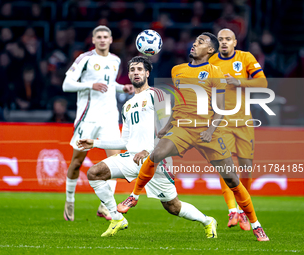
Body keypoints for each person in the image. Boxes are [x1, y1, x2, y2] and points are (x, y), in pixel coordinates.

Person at [119, 32, 269, 242]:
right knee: (156, 154)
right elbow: (180, 103)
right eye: (195, 41)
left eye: (201, 42)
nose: (194, 44)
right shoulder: (177, 70)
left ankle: (256, 225)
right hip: (182, 128)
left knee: (232, 180)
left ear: (210, 50)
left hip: (208, 130)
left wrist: (210, 130)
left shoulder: (214, 71)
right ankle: (134, 196)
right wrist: (167, 126)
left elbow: (220, 107)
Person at [77, 56, 218, 238]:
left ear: (147, 73)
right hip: (133, 157)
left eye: (140, 69)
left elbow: (170, 129)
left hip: (157, 159)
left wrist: (149, 150)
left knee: (173, 206)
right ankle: (117, 218)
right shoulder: (127, 106)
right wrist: (94, 143)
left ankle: (208, 221)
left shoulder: (157, 95)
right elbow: (125, 142)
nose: (136, 72)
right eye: (133, 70)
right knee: (94, 173)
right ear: (128, 74)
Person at [62, 25, 134, 222]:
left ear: (111, 40)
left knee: (116, 163)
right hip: (88, 118)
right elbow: (66, 85)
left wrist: (122, 89)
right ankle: (69, 200)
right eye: (99, 37)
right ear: (93, 40)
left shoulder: (115, 60)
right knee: (76, 162)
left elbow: (109, 85)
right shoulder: (85, 59)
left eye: (105, 37)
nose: (102, 40)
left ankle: (105, 206)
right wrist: (89, 85)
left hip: (110, 117)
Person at [208, 28, 268, 230]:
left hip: (244, 122)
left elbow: (263, 82)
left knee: (245, 168)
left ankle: (243, 211)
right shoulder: (211, 62)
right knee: (225, 166)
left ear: (235, 42)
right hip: (221, 121)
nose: (224, 42)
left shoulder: (245, 57)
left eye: (228, 39)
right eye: (221, 39)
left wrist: (239, 81)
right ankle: (232, 211)